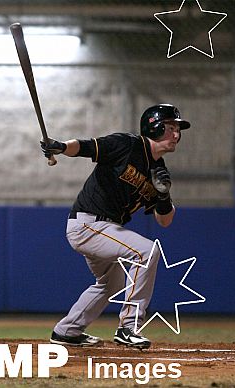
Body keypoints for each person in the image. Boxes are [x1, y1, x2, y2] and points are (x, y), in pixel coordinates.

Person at [41, 104, 190, 350]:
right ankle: (128, 327)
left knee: (110, 284)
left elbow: (165, 221)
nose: (176, 134)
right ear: (154, 127)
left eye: (178, 129)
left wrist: (163, 195)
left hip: (104, 230)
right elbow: (87, 146)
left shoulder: (158, 170)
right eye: (170, 127)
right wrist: (61, 147)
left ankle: (67, 331)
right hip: (88, 223)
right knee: (147, 251)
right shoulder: (127, 145)